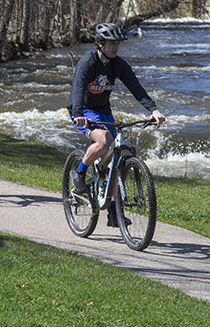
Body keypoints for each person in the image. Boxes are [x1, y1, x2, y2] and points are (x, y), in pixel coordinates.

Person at [67, 22, 165, 226]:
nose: (116, 48)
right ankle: (79, 172)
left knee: (115, 161)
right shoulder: (87, 63)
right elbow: (77, 89)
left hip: (103, 112)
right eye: (112, 43)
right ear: (99, 43)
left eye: (118, 44)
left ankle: (113, 212)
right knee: (103, 141)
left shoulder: (118, 64)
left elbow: (136, 87)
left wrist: (153, 110)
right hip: (84, 111)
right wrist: (78, 114)